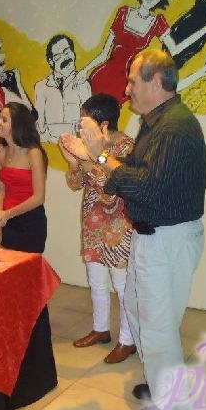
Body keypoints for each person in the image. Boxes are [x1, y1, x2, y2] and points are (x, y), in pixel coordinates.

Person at [61, 50, 206, 410]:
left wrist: (99, 156)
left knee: (158, 324)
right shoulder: (157, 123)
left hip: (167, 238)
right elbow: (136, 173)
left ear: (155, 82)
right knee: (140, 312)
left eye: (132, 81)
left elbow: (145, 186)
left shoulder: (174, 127)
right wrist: (92, 157)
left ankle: (174, 406)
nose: (126, 90)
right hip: (151, 236)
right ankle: (161, 385)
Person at [59, 94, 136, 364]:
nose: (80, 126)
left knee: (123, 286)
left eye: (85, 120)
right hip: (93, 222)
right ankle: (100, 329)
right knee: (97, 282)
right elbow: (75, 184)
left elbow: (111, 190)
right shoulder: (87, 145)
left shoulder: (125, 146)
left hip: (119, 224)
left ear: (103, 124)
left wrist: (86, 159)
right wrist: (73, 163)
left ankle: (128, 340)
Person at [79, 0, 206, 105]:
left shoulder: (158, 22)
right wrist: (83, 71)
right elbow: (104, 54)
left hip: (124, 85)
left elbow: (176, 49)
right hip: (102, 75)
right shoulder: (123, 12)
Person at [0, 102, 47, 253]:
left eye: (4, 120)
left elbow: (39, 197)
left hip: (30, 222)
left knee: (29, 267)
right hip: (8, 222)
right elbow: (0, 191)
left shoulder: (33, 153)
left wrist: (7, 214)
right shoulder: (0, 153)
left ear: (17, 125)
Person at [34, 34, 92, 141]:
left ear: (73, 53)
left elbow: (87, 124)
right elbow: (39, 126)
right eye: (58, 57)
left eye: (67, 52)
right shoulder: (41, 87)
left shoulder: (83, 85)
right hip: (48, 146)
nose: (65, 58)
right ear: (51, 62)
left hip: (77, 146)